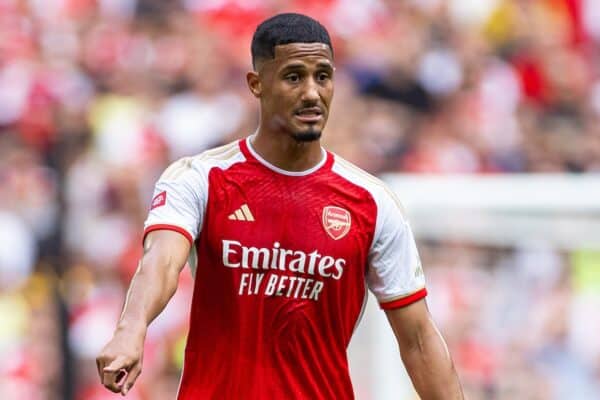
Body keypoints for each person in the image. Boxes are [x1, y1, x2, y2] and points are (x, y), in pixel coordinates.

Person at [96, 13, 464, 399]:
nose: (311, 92)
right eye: (293, 77)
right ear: (256, 84)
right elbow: (162, 262)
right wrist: (130, 331)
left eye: (323, 76)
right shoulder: (200, 178)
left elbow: (419, 338)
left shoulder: (372, 203)